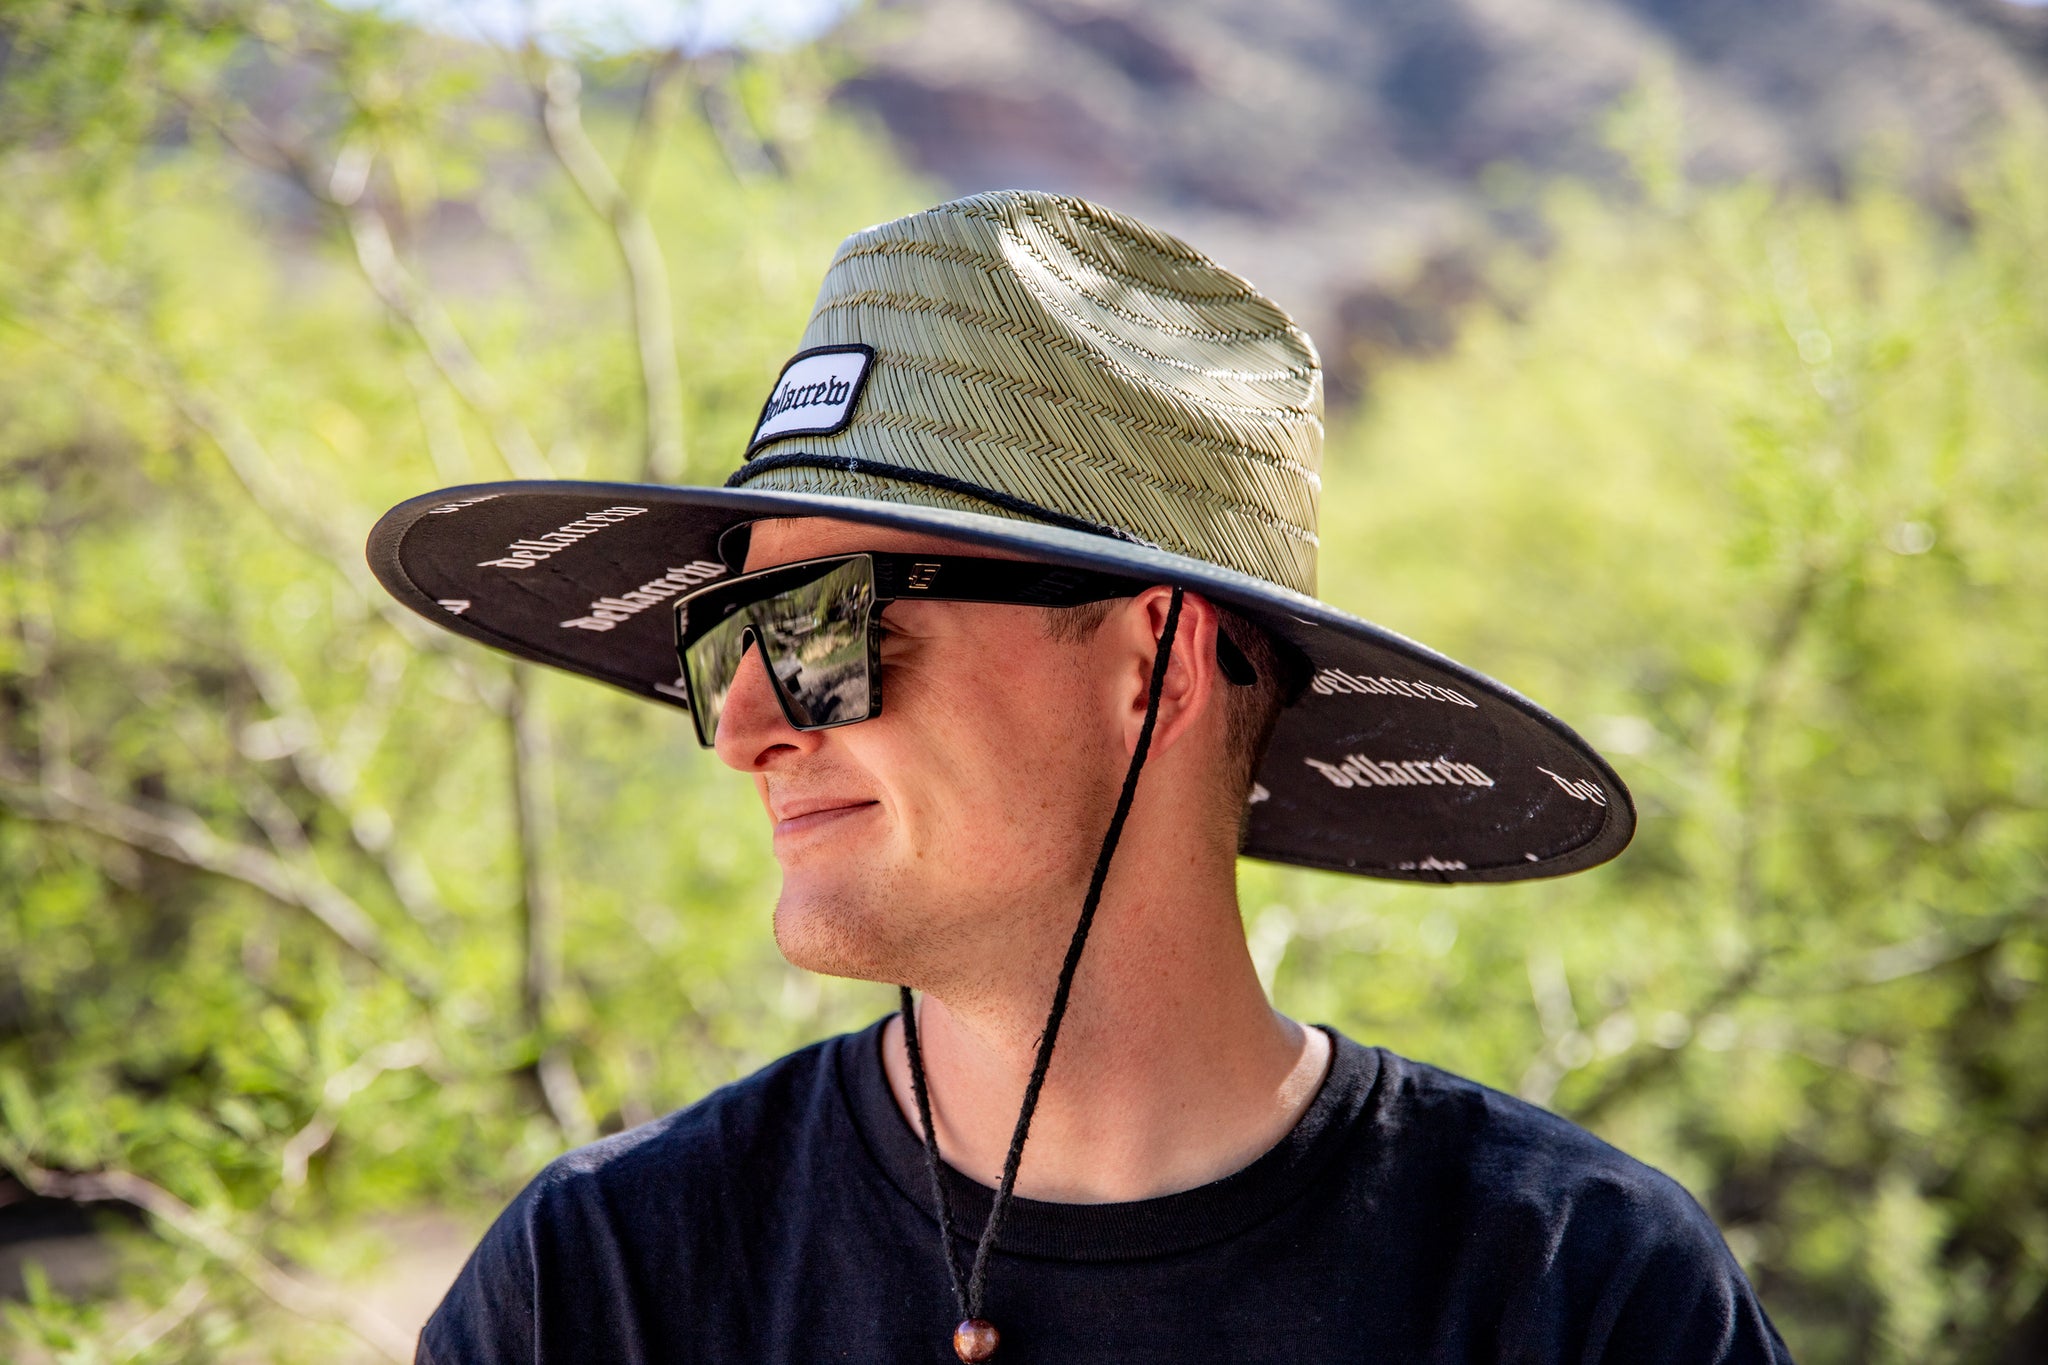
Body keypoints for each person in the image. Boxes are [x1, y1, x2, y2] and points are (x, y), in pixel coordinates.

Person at [370, 190, 1792, 1363]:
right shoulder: (601, 1282)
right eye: (730, 639)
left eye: (823, 626)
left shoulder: (1581, 1295)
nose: (744, 725)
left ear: (1155, 664)